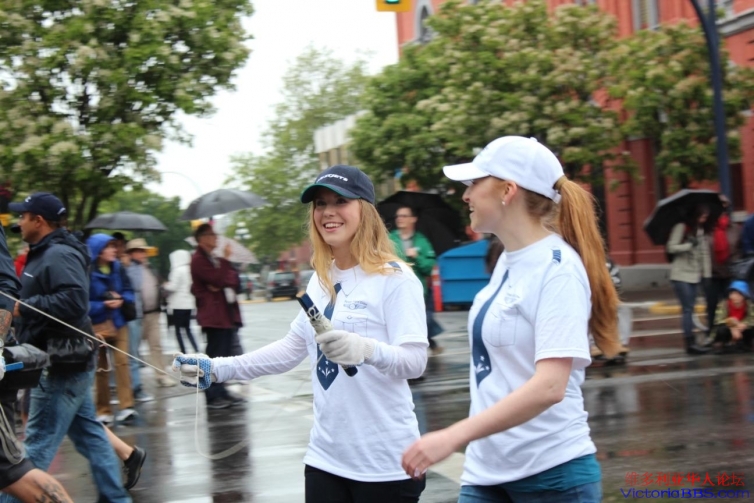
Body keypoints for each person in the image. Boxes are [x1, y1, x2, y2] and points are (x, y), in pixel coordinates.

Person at [174, 165, 429, 502]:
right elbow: (291, 349)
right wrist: (216, 368)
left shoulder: (395, 278)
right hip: (325, 458)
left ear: (365, 210)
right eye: (320, 204)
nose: (328, 212)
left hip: (385, 464)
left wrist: (366, 349)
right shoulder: (321, 279)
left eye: (340, 201)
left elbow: (415, 362)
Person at [401, 136, 621, 502]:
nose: (465, 195)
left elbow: (550, 387)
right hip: (485, 473)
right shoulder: (507, 259)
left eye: (474, 183)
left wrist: (453, 436)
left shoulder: (558, 269)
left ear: (507, 190)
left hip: (552, 477)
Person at [3, 192, 130, 503]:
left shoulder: (58, 254)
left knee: (31, 453)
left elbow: (74, 302)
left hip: (61, 363)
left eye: (23, 217)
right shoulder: (46, 251)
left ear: (39, 221)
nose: (19, 222)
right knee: (91, 435)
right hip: (64, 360)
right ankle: (116, 498)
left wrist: (23, 307)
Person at [189, 224, 245, 409]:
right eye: (212, 235)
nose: (216, 238)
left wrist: (220, 277)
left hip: (224, 313)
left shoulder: (212, 257)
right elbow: (218, 279)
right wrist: (225, 261)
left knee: (223, 356)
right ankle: (212, 395)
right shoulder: (198, 259)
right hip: (213, 316)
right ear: (202, 238)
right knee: (214, 356)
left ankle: (221, 390)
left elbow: (230, 280)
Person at [87, 234, 138, 426]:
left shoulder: (118, 267)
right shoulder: (87, 271)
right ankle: (103, 411)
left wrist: (122, 299)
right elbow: (83, 303)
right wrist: (103, 304)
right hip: (98, 325)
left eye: (114, 246)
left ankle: (127, 407)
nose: (114, 250)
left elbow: (129, 290)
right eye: (109, 247)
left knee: (122, 361)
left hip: (118, 322)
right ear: (98, 251)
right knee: (101, 369)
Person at [389, 205, 443, 355]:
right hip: (395, 289)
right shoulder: (389, 239)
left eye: (404, 216)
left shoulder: (422, 241)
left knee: (423, 320)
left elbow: (428, 268)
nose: (399, 219)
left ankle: (421, 348)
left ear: (413, 219)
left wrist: (416, 257)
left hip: (419, 290)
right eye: (398, 216)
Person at [125, 238, 175, 396]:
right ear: (131, 253)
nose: (143, 254)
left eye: (144, 251)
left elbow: (157, 285)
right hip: (137, 316)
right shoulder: (128, 269)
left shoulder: (150, 268)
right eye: (139, 251)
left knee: (156, 345)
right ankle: (133, 382)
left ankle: (161, 375)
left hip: (153, 313)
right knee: (133, 350)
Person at [667, 205, 712, 355]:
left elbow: (704, 253)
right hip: (680, 274)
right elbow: (671, 247)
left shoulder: (700, 230)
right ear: (695, 215)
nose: (704, 220)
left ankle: (692, 341)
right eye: (702, 216)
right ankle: (689, 342)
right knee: (687, 308)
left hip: (694, 275)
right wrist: (688, 245)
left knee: (691, 308)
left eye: (706, 217)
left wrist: (707, 275)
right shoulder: (681, 227)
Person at [163, 249, 199, 354]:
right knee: (188, 329)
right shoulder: (190, 270)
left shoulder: (177, 270)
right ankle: (196, 349)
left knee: (178, 330)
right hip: (189, 304)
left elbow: (173, 287)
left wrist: (165, 286)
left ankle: (183, 351)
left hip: (178, 305)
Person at [709, 280, 754, 353]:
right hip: (728, 329)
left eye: (739, 294)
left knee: (751, 329)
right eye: (733, 293)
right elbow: (718, 320)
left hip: (742, 329)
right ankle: (721, 343)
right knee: (721, 329)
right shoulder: (724, 304)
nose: (735, 297)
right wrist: (732, 326)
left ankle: (747, 344)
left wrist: (744, 324)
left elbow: (752, 318)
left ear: (744, 296)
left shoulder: (749, 305)